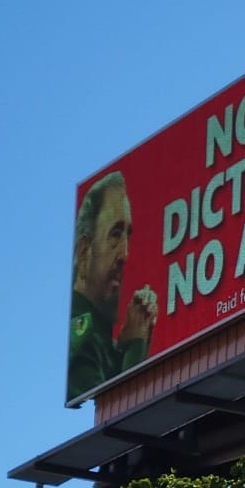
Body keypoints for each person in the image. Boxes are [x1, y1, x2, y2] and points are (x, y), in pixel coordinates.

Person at [66, 171, 158, 401]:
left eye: (128, 235)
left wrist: (126, 344)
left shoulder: (100, 339)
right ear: (85, 252)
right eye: (115, 234)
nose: (125, 254)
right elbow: (124, 407)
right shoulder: (82, 338)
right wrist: (135, 343)